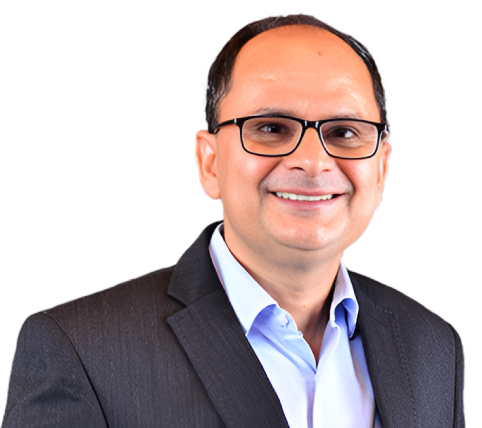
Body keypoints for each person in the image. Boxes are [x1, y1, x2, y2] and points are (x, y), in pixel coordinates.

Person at [2, 14, 465, 428]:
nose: (313, 161)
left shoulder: (432, 346)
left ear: (380, 169)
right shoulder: (82, 352)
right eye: (271, 128)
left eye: (344, 132)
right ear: (210, 163)